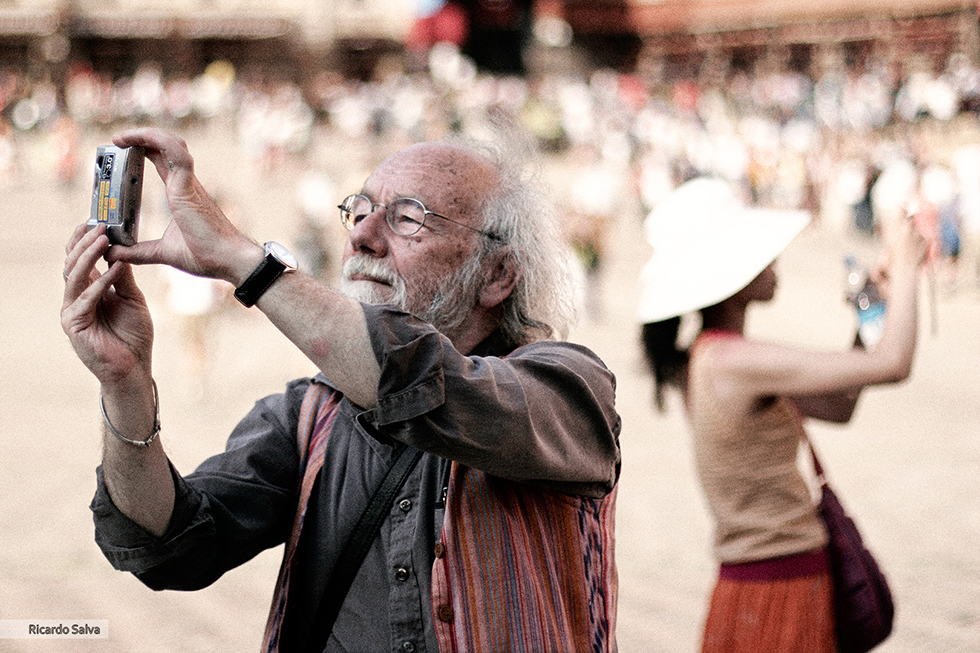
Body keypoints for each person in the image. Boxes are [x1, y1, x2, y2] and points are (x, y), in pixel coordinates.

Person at [61, 127, 621, 652]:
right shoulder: (308, 413)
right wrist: (126, 384)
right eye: (359, 209)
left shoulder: (565, 386)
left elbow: (420, 379)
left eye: (407, 219)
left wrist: (243, 259)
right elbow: (169, 544)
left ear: (499, 274)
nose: (361, 236)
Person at [636, 178, 927, 652]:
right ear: (732, 275)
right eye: (760, 254)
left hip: (753, 583)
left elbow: (840, 405)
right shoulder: (736, 362)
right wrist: (910, 266)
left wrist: (868, 312)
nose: (773, 262)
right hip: (781, 582)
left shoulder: (707, 358)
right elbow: (893, 365)